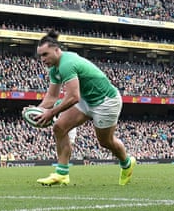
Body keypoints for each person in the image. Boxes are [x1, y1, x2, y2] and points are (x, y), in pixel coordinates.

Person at [25, 31, 136, 186]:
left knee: (105, 142)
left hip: (106, 101)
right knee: (59, 127)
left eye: (45, 54)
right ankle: (62, 173)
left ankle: (127, 163)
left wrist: (50, 113)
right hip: (86, 100)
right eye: (40, 56)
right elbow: (51, 97)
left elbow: (73, 97)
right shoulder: (54, 69)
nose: (42, 59)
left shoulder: (67, 64)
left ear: (57, 50)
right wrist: (38, 111)